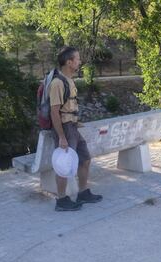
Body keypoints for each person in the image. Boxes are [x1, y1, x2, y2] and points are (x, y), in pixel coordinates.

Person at [49, 46, 103, 211]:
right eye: (77, 59)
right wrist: (62, 137)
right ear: (69, 62)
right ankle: (61, 200)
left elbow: (68, 106)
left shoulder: (69, 80)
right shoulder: (58, 83)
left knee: (85, 158)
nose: (80, 62)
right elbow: (54, 112)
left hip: (72, 127)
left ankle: (83, 192)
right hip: (65, 129)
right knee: (64, 165)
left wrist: (75, 121)